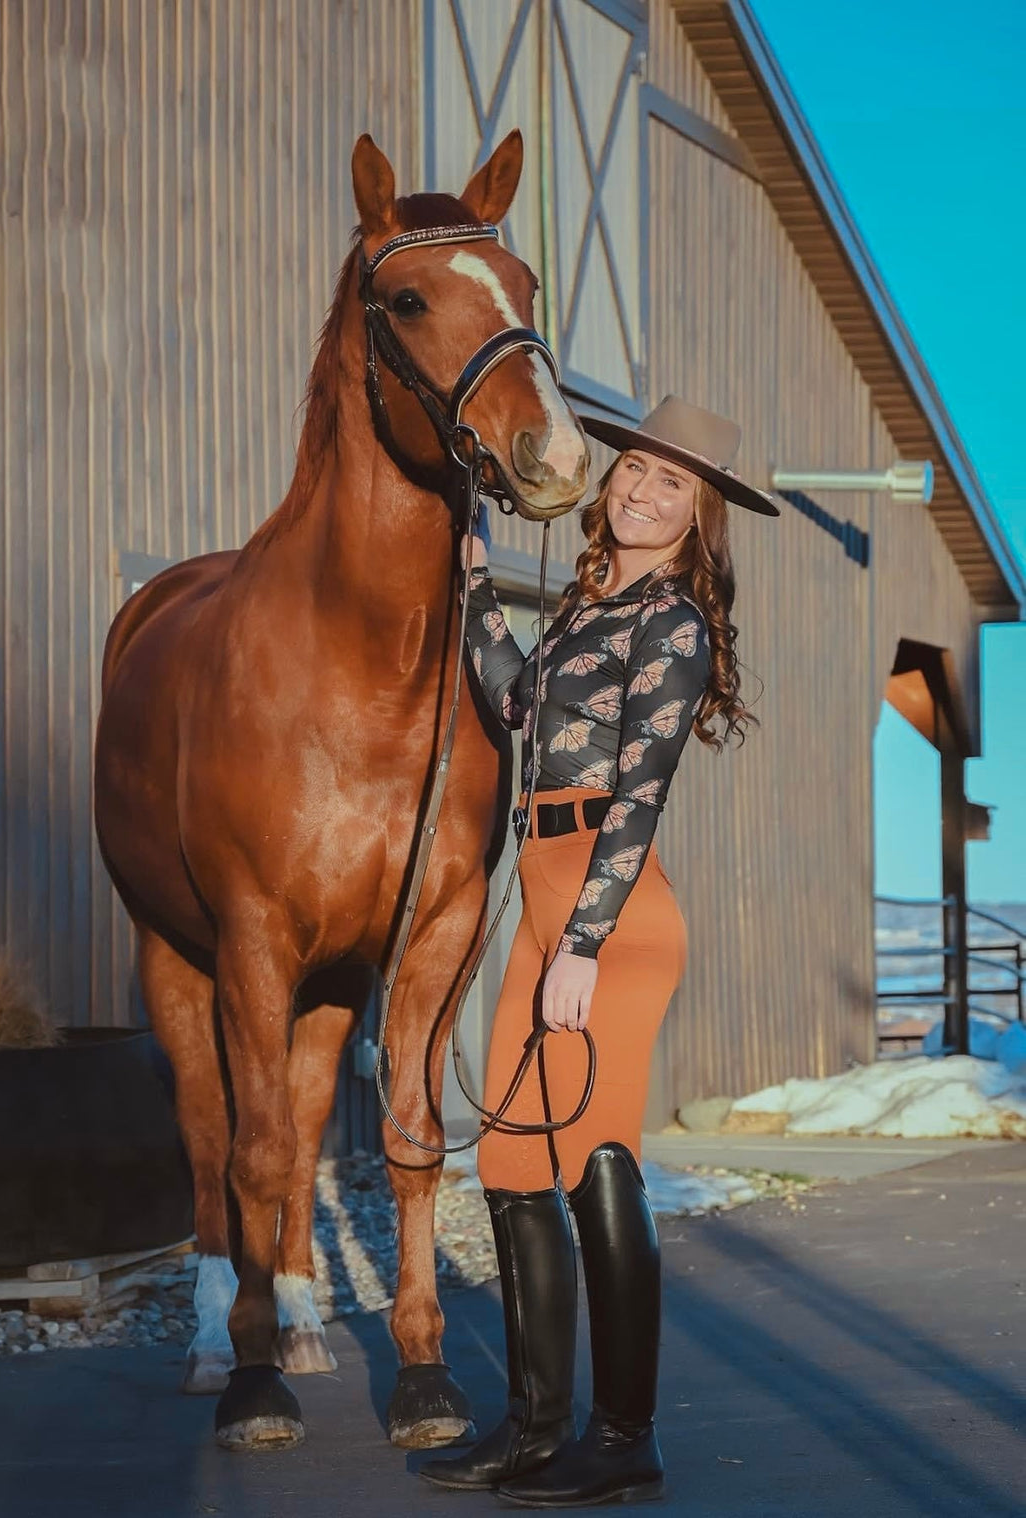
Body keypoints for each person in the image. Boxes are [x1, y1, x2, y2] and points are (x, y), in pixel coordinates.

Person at [420, 396, 779, 1508]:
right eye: (634, 470)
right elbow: (520, 701)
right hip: (545, 895)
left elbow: (639, 791)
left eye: (672, 486)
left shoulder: (669, 620)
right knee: (510, 1162)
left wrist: (581, 941)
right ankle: (534, 1431)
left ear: (698, 518)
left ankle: (624, 1438)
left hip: (607, 915)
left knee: (593, 1154)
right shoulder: (589, 599)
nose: (638, 491)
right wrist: (474, 580)